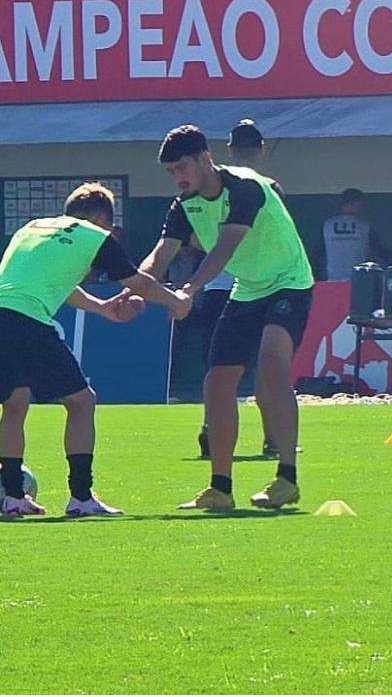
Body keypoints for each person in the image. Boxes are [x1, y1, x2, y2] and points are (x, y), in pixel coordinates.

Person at [141, 125, 314, 511]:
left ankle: (287, 478)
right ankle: (220, 488)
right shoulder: (183, 204)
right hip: (249, 289)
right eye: (171, 172)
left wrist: (188, 290)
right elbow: (160, 255)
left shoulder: (245, 187)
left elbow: (224, 247)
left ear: (206, 158)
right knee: (217, 381)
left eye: (181, 167)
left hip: (289, 283)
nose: (177, 177)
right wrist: (129, 291)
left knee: (271, 367)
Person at [0, 183, 191, 517]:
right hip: (28, 321)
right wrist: (175, 301)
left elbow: (59, 282)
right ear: (104, 218)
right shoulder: (95, 236)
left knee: (15, 403)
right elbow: (137, 282)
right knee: (81, 401)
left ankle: (13, 497)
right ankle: (81, 498)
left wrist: (102, 308)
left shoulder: (33, 227)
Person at [195, 119, 281, 459]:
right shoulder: (268, 187)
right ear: (261, 149)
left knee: (219, 368)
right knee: (265, 365)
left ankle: (208, 429)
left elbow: (191, 237)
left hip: (216, 285)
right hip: (256, 286)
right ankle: (272, 438)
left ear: (228, 149)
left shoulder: (211, 187)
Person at [318, 187, 392, 281]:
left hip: (333, 280)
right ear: (358, 203)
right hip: (358, 281)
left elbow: (319, 254)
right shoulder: (364, 226)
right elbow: (379, 250)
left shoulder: (327, 225)